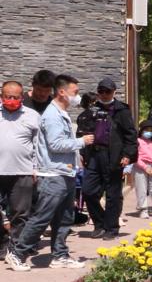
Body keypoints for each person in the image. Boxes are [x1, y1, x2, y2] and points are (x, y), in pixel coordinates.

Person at [6, 74, 94, 270]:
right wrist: (82, 141)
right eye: (75, 92)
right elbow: (55, 144)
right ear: (62, 92)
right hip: (54, 175)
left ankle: (60, 255)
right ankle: (17, 253)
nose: (77, 96)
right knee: (42, 217)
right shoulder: (53, 115)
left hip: (66, 173)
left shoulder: (61, 112)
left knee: (64, 218)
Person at [79, 77, 137, 240]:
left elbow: (131, 136)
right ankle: (99, 223)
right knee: (88, 191)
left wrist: (127, 155)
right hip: (94, 156)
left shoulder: (122, 110)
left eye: (107, 91)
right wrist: (83, 154)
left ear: (114, 92)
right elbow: (84, 132)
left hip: (114, 157)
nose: (104, 94)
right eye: (101, 91)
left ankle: (111, 228)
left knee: (113, 194)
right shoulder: (92, 110)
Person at [1, 79, 42, 259]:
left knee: (20, 213)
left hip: (23, 172)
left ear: (21, 97)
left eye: (15, 97)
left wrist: (36, 168)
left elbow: (39, 146)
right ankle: (2, 244)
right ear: (1, 96)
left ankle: (18, 248)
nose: (11, 100)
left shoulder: (32, 116)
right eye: (8, 97)